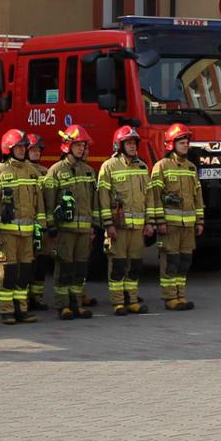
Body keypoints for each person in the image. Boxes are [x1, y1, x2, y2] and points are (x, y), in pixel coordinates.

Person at [0, 129, 46, 325]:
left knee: (25, 271)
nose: (22, 150)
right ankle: (7, 311)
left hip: (27, 233)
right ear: (8, 149)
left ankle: (22, 309)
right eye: (18, 147)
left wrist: (42, 226)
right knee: (8, 272)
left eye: (23, 147)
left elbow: (39, 202)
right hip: (7, 233)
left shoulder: (31, 171)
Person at [97, 125, 155, 315]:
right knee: (118, 265)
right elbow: (103, 198)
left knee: (135, 265)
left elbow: (149, 196)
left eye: (134, 143)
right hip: (118, 227)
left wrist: (150, 222)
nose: (132, 146)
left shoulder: (142, 166)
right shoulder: (109, 166)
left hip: (138, 228)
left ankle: (132, 300)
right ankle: (118, 302)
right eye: (128, 143)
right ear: (119, 145)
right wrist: (108, 225)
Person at [46, 125, 99, 319]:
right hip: (65, 231)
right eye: (77, 145)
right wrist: (51, 227)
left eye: (83, 145)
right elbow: (49, 202)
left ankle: (76, 303)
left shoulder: (88, 171)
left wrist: (94, 225)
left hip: (84, 231)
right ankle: (63, 305)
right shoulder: (55, 171)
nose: (81, 149)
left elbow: (94, 201)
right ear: (67, 146)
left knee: (80, 268)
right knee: (64, 267)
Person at [151, 123, 205, 311]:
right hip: (170, 225)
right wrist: (159, 222)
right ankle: (169, 297)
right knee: (171, 261)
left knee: (184, 261)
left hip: (188, 226)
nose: (185, 145)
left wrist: (200, 221)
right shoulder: (161, 166)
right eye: (181, 142)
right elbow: (155, 196)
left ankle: (180, 294)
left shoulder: (191, 168)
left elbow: (198, 196)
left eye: (186, 142)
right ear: (171, 144)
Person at [24, 133, 52, 312]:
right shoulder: (21, 171)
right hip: (25, 225)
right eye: (32, 149)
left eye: (37, 150)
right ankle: (24, 298)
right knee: (27, 263)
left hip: (43, 226)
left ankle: (37, 297)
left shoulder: (45, 172)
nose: (35, 153)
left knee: (41, 263)